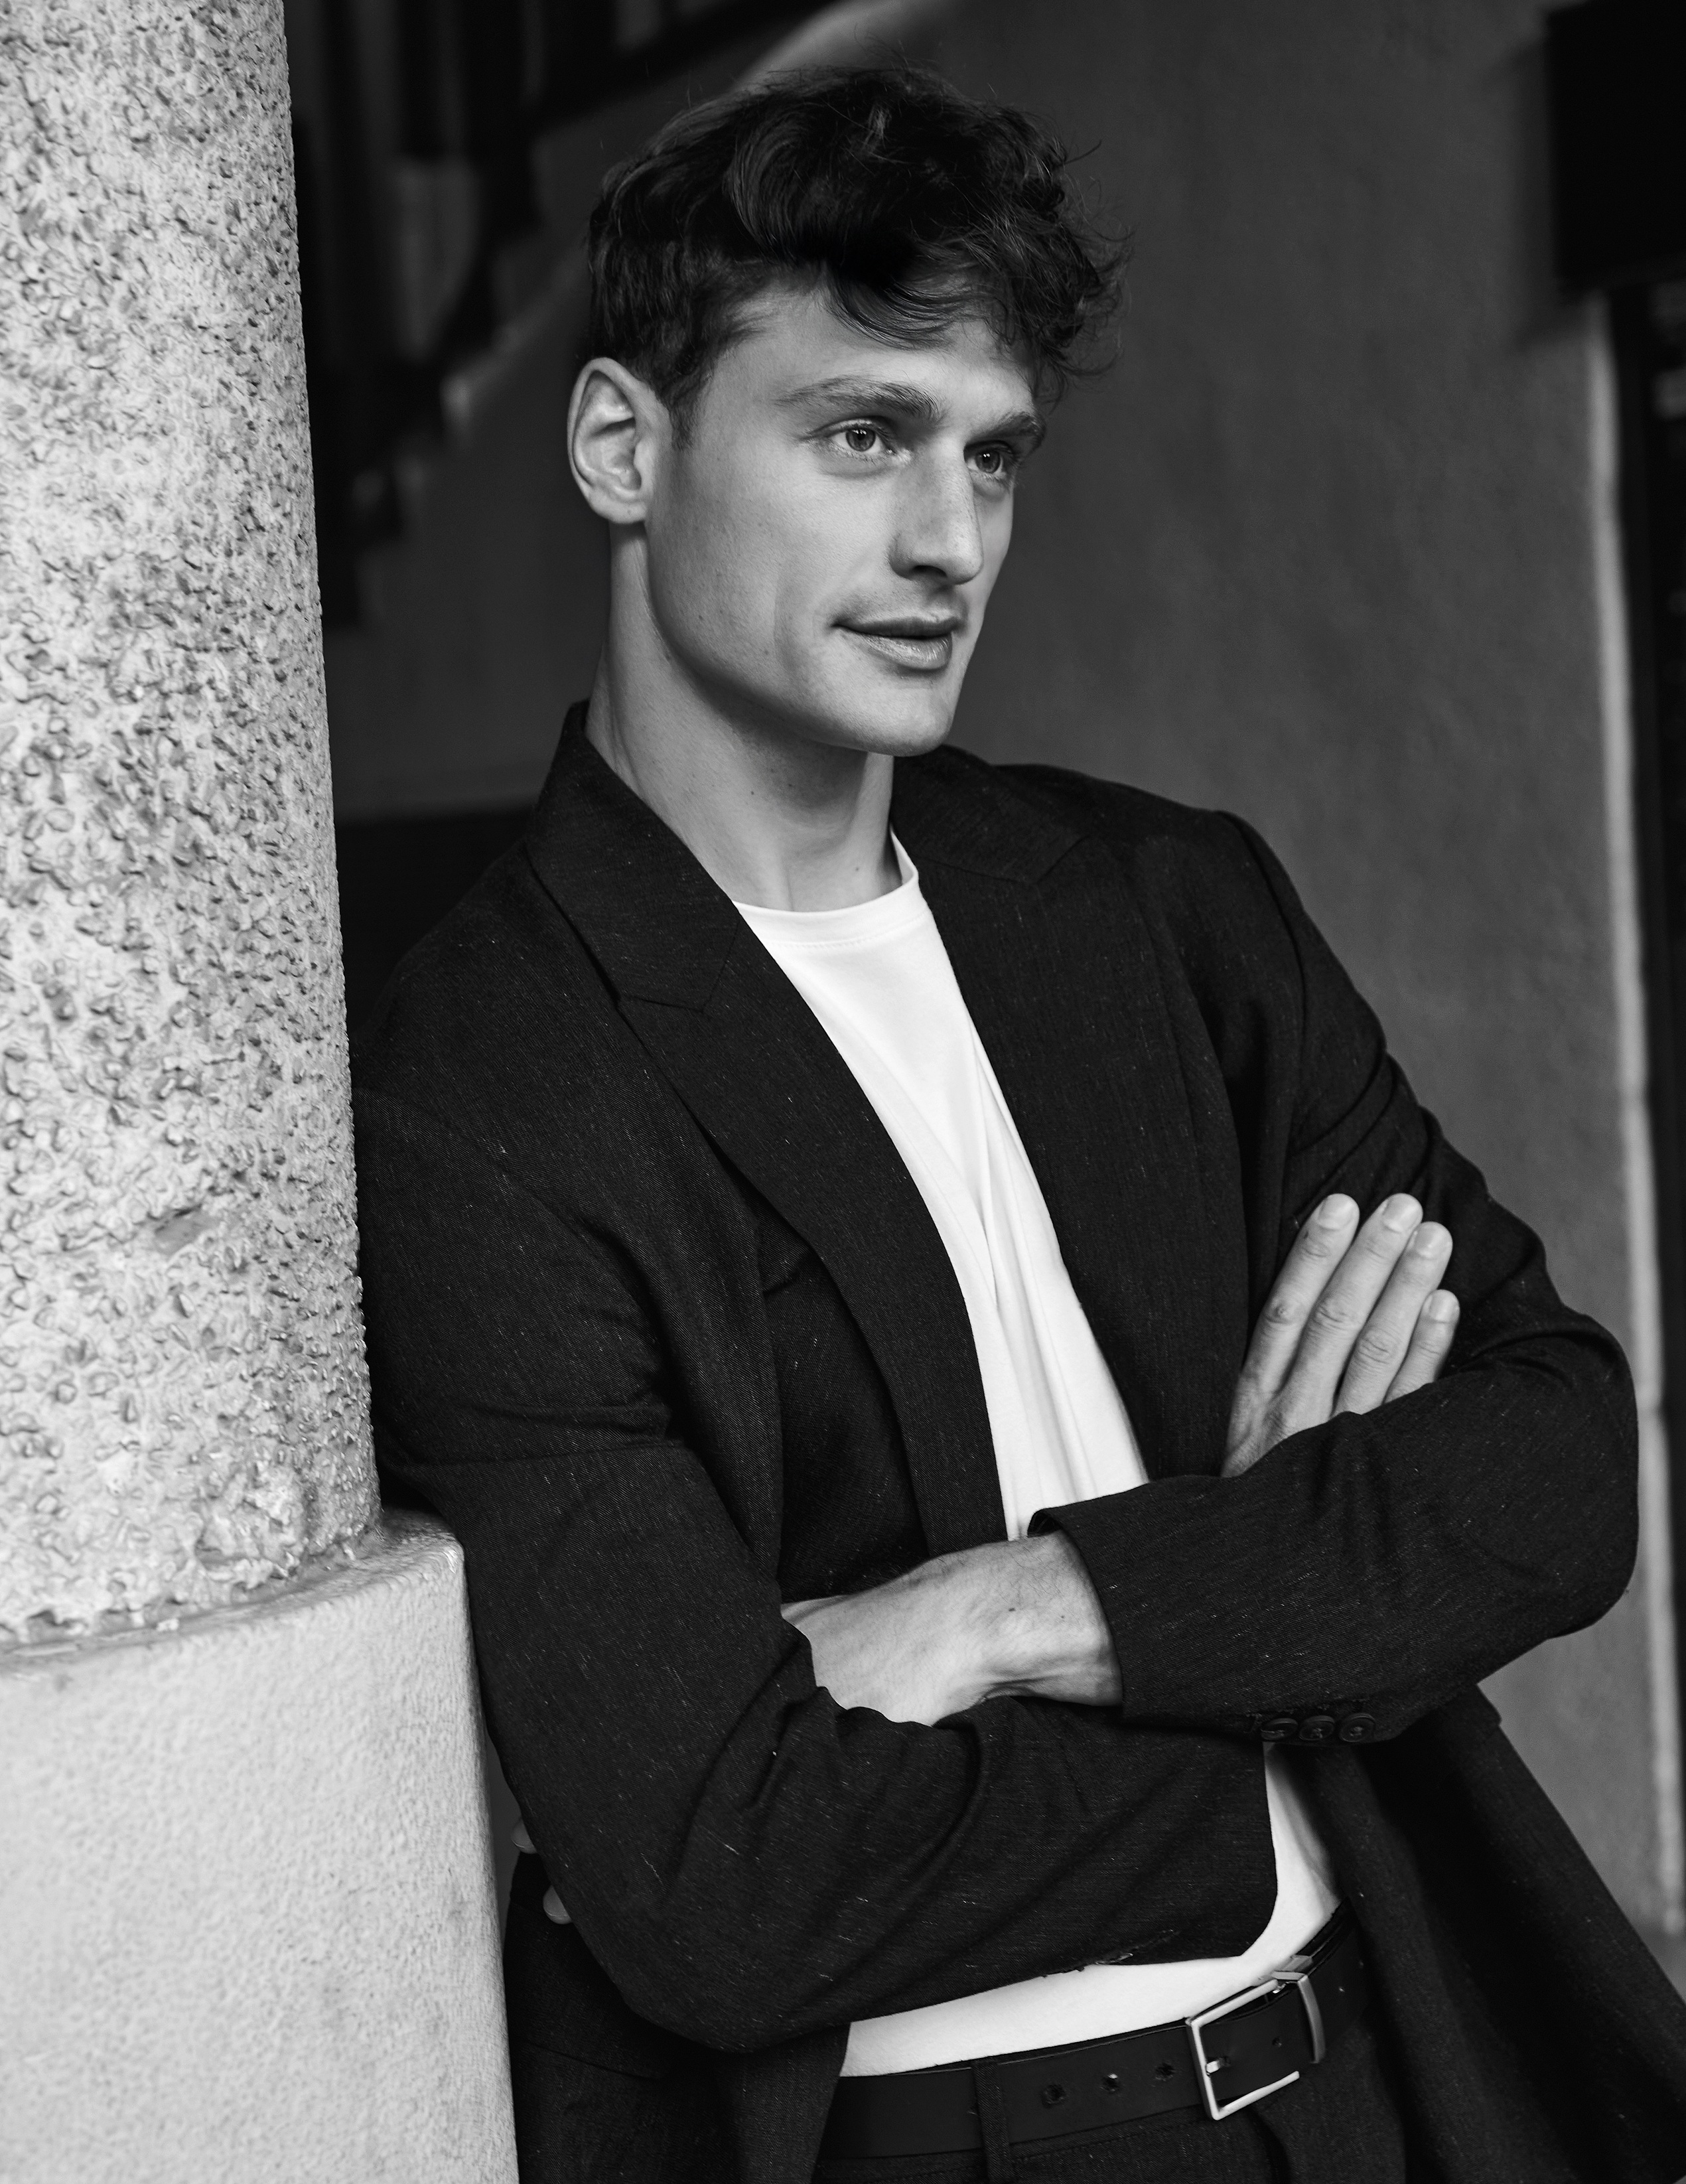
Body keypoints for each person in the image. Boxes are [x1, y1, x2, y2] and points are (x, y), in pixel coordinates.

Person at [352, 65, 1686, 2184]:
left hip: (1368, 2088)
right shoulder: (481, 1086)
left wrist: (1007, 1610)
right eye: (862, 433)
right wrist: (1281, 1622)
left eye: (991, 453)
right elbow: (721, 1871)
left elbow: (1554, 1463)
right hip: (930, 2150)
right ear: (623, 445)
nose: (951, 538)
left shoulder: (1166, 909)